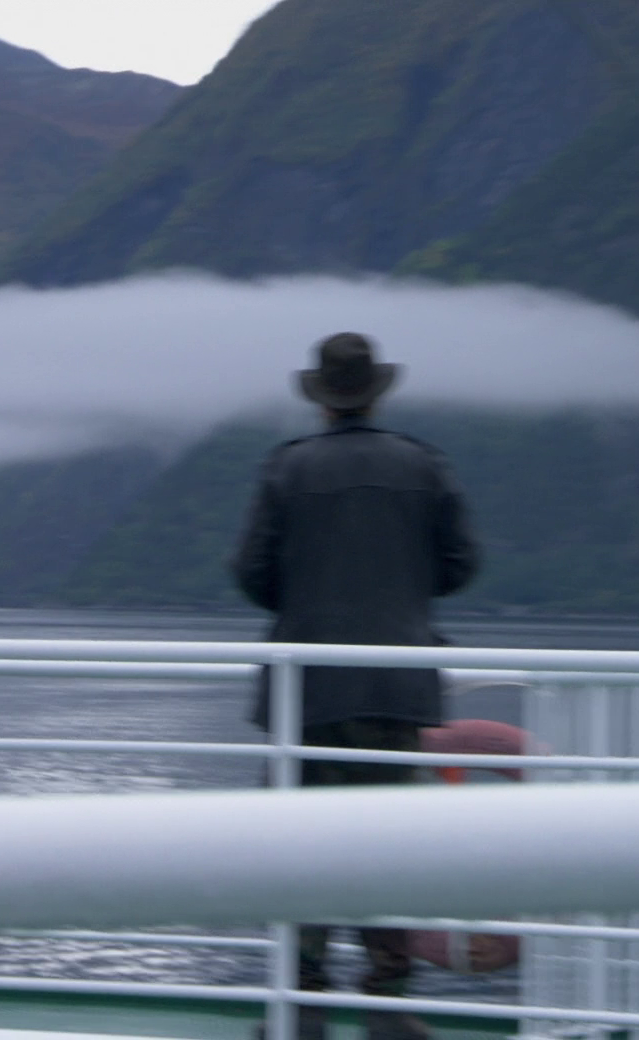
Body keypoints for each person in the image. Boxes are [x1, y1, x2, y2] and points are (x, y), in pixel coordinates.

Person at [232, 332, 479, 1040]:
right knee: (390, 847)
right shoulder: (423, 465)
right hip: (397, 689)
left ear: (323, 398)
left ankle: (303, 1005)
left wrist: (308, 596)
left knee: (299, 846)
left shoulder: (287, 468)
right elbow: (461, 563)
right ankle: (389, 1006)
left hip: (306, 692)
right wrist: (401, 592)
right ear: (376, 393)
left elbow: (252, 573)